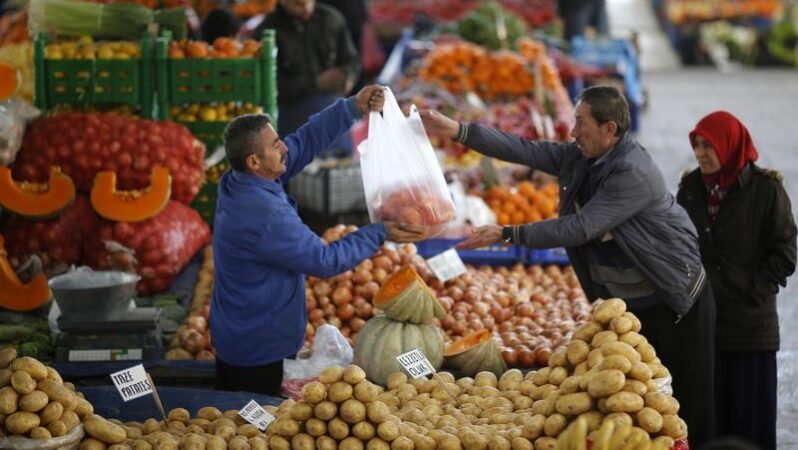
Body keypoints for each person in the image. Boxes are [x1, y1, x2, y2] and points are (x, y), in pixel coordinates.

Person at [419, 85, 716, 448]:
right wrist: (458, 131)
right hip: (630, 306)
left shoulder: (631, 172)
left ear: (610, 130)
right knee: (639, 405)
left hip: (674, 300)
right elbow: (524, 149)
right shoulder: (581, 156)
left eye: (581, 123)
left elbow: (581, 227)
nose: (573, 132)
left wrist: (507, 233)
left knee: (685, 406)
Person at [211, 85, 425, 396]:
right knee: (254, 429)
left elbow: (302, 143)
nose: (284, 147)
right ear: (255, 161)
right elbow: (325, 261)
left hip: (239, 330)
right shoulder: (265, 214)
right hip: (257, 349)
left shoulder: (240, 181)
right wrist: (379, 232)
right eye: (275, 145)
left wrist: (351, 107)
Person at [676, 111, 796, 450]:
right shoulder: (690, 188)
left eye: (709, 145)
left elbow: (785, 252)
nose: (700, 153)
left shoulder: (765, 190)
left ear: (729, 145)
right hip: (705, 326)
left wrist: (753, 291)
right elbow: (677, 243)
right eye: (697, 145)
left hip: (749, 329)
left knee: (749, 422)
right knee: (710, 421)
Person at [252, 0, 360, 142]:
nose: (306, 8)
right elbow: (266, 85)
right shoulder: (267, 31)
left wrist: (348, 76)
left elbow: (351, 60)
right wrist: (315, 82)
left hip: (333, 111)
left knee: (341, 161)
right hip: (291, 116)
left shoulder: (331, 19)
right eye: (298, 4)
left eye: (309, 2)